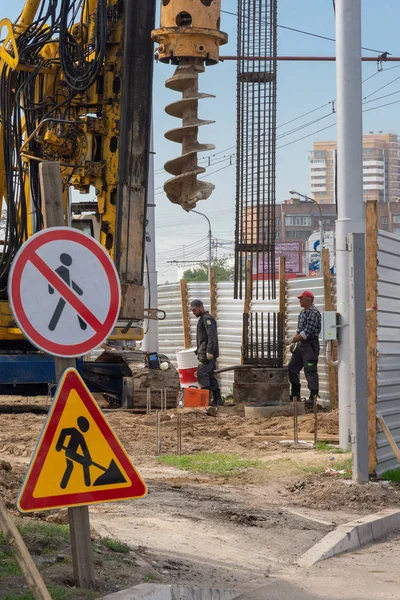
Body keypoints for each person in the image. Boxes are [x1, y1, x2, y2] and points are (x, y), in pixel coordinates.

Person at [287, 290, 321, 408]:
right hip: (301, 345)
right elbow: (299, 329)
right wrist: (295, 343)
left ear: (308, 300)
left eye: (301, 298)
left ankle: (313, 396)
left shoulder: (314, 313)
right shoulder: (302, 313)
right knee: (292, 367)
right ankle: (295, 393)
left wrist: (292, 340)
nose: (299, 300)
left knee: (310, 369)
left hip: (310, 346)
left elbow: (307, 332)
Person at [190, 299, 223, 406]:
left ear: (201, 307)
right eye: (192, 311)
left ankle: (205, 400)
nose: (194, 313)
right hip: (204, 352)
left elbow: (211, 336)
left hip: (207, 355)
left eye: (195, 310)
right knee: (210, 375)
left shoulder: (207, 318)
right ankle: (217, 399)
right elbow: (204, 338)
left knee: (202, 373)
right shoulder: (203, 319)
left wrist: (209, 351)